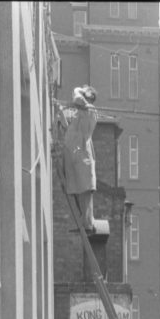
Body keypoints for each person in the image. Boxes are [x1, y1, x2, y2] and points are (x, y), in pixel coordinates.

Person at [62, 85, 98, 232]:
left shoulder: (89, 109)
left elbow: (76, 94)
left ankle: (87, 223)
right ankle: (83, 221)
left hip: (82, 156)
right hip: (75, 155)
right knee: (77, 189)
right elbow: (69, 129)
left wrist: (80, 90)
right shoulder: (79, 113)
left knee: (85, 190)